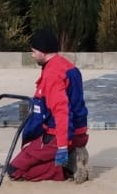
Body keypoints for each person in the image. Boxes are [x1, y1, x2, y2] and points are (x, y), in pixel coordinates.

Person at [7, 27, 90, 182]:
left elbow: (61, 111)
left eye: (33, 51)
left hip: (59, 136)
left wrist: (62, 146)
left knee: (15, 170)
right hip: (79, 133)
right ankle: (71, 156)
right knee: (34, 154)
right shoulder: (67, 66)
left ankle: (69, 166)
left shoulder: (52, 74)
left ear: (43, 51)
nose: (32, 55)